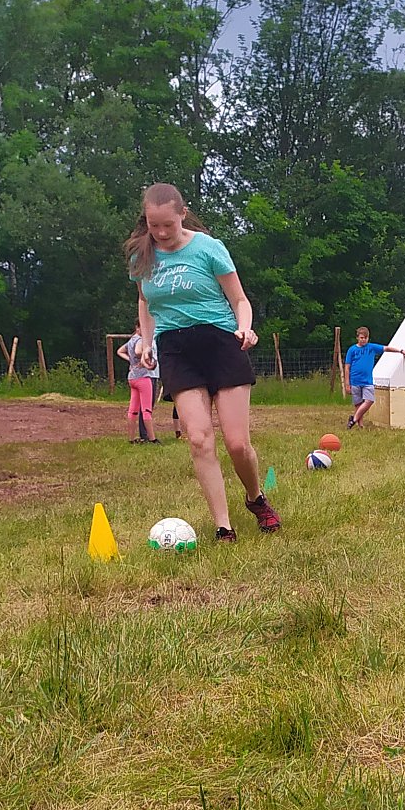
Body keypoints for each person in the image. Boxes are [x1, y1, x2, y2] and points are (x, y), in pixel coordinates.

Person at [125, 183, 281, 542]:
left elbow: (239, 299)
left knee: (237, 444)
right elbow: (145, 302)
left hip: (221, 342)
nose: (161, 233)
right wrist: (146, 342)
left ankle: (255, 498)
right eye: (153, 225)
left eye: (168, 225)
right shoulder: (141, 257)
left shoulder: (209, 248)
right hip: (176, 350)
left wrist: (245, 328)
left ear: (183, 213)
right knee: (198, 439)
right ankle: (223, 526)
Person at [117, 324, 159, 443]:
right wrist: (145, 358)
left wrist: (131, 361)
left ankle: (131, 438)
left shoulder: (132, 340)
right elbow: (138, 351)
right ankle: (152, 438)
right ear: (137, 328)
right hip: (143, 377)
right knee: (146, 410)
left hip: (132, 377)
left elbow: (120, 351)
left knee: (133, 410)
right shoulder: (140, 340)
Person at [344, 326, 387, 429]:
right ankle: (360, 424)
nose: (363, 340)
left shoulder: (371, 348)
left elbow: (386, 348)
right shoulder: (352, 350)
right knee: (358, 404)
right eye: (361, 338)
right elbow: (347, 367)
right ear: (357, 338)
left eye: (365, 338)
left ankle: (354, 419)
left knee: (369, 400)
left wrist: (400, 351)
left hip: (367, 381)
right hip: (355, 381)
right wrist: (347, 383)